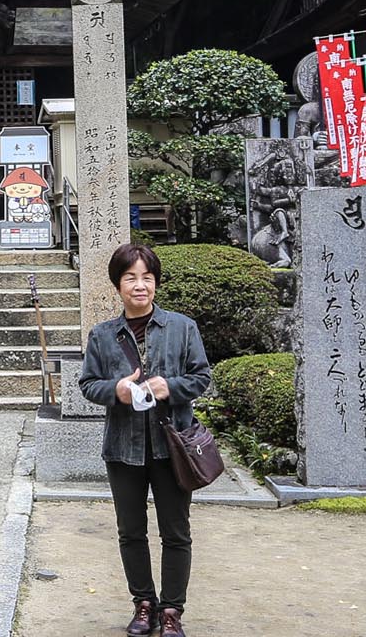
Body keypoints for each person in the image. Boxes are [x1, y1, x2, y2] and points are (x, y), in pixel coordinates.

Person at [78, 243, 212, 637]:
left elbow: (202, 377)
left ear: (156, 283)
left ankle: (172, 610)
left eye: (147, 278)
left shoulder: (182, 327)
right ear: (118, 286)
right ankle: (143, 604)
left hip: (173, 449)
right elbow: (87, 384)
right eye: (131, 278)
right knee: (130, 531)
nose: (140, 286)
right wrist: (115, 391)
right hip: (123, 449)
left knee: (175, 531)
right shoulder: (103, 335)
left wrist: (170, 386)